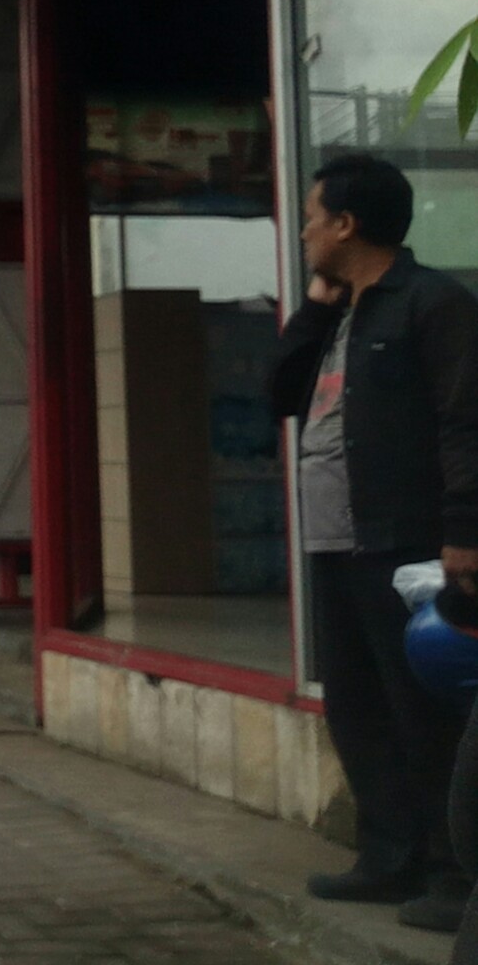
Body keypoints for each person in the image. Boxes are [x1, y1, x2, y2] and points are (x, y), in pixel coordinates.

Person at [269, 153, 478, 932]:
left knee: (421, 711)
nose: (305, 234)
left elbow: (466, 420)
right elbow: (279, 393)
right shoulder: (340, 314)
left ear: (346, 224)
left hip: (408, 546)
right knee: (356, 709)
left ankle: (452, 877)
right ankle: (386, 859)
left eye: (312, 219)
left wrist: (464, 531)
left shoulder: (433, 305)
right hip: (335, 544)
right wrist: (317, 307)